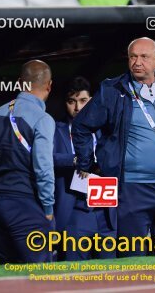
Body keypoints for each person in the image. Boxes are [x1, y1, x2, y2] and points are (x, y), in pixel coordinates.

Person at [72, 37, 155, 257]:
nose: (137, 62)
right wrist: (88, 164)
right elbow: (81, 126)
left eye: (144, 57)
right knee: (132, 260)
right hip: (132, 189)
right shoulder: (113, 90)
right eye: (132, 56)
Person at [0, 60, 55, 263]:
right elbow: (44, 168)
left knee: (11, 275)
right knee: (40, 275)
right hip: (25, 204)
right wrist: (48, 209)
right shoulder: (43, 119)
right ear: (49, 85)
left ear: (19, 83)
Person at [53, 77, 116, 261]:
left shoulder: (106, 129)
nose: (78, 108)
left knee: (110, 276)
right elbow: (46, 159)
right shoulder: (56, 130)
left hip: (106, 210)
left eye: (83, 101)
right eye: (71, 101)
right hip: (77, 210)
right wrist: (76, 159)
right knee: (75, 276)